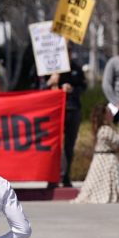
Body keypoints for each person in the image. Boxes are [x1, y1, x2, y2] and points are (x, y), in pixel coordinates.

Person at [72, 103, 119, 204]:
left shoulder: (102, 129)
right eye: (109, 113)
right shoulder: (105, 130)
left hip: (100, 160)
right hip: (107, 161)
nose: (111, 114)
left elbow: (114, 146)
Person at [41, 55, 87, 187]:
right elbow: (38, 88)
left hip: (72, 109)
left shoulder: (76, 68)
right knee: (53, 145)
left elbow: (83, 86)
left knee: (69, 146)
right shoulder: (48, 69)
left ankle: (65, 176)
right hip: (53, 111)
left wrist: (73, 89)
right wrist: (50, 82)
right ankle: (52, 178)